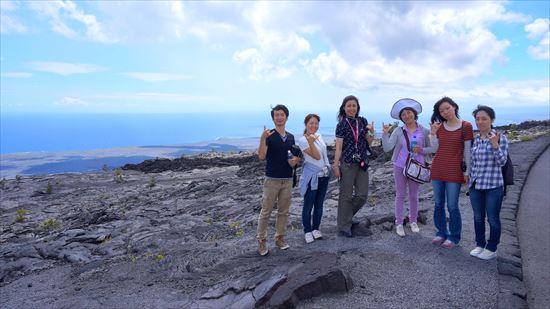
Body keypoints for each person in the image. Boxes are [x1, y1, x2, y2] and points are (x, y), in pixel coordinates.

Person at [382, 98, 439, 237]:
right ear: (401, 118)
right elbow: (387, 147)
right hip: (400, 166)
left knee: (414, 195)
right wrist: (385, 133)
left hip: (416, 167)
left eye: (408, 112)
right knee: (400, 195)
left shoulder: (424, 130)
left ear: (414, 113)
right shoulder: (398, 131)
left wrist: (422, 149)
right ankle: (399, 223)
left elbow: (434, 148)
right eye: (403, 114)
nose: (406, 116)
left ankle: (413, 221)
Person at [430, 96, 474, 248]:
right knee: (438, 204)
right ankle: (441, 232)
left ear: (454, 107)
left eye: (447, 108)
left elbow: (468, 151)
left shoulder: (466, 126)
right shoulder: (439, 127)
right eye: (441, 111)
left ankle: (454, 236)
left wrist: (467, 172)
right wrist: (432, 133)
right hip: (437, 169)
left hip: (454, 171)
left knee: (452, 205)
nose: (445, 112)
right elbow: (435, 149)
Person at [256, 105, 300, 256]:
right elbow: (261, 156)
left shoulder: (291, 137)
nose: (279, 117)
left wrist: (296, 160)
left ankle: (279, 238)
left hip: (287, 179)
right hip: (272, 179)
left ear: (286, 117)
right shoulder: (269, 136)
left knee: (283, 211)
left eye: (282, 115)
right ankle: (261, 241)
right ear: (273, 118)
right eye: (276, 115)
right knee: (266, 211)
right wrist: (262, 138)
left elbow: (294, 156)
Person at [468, 105, 509, 260]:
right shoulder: (476, 139)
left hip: (493, 186)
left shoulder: (501, 138)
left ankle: (492, 248)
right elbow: (473, 163)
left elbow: (502, 162)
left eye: (484, 118)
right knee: (478, 217)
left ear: (492, 120)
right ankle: (480, 244)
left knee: (492, 218)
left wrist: (495, 144)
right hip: (476, 185)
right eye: (477, 119)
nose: (480, 122)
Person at [332, 95, 375, 237]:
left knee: (362, 195)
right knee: (346, 195)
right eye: (348, 105)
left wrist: (371, 132)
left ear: (357, 107)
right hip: (347, 163)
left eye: (354, 105)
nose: (351, 108)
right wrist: (336, 165)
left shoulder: (362, 121)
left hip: (362, 162)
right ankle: (344, 226)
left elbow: (368, 141)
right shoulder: (342, 125)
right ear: (344, 108)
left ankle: (345, 218)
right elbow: (338, 147)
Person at [298, 114, 331, 243]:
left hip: (323, 175)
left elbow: (324, 155)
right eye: (311, 123)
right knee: (308, 205)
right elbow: (316, 156)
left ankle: (316, 228)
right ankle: (307, 231)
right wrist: (311, 142)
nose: (314, 126)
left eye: (316, 123)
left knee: (319, 205)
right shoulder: (302, 140)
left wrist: (328, 168)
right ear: (306, 124)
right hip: (312, 176)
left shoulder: (320, 137)